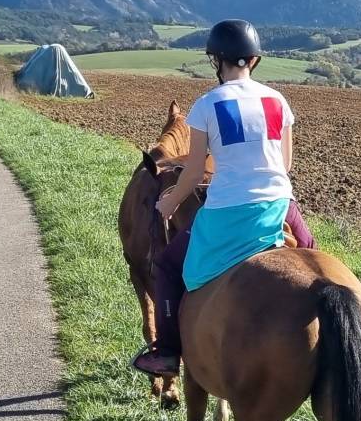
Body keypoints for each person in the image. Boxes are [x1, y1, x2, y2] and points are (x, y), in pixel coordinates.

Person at [132, 19, 315, 377]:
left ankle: (167, 353)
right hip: (280, 204)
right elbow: (286, 163)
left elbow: (195, 171)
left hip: (228, 210)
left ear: (218, 60)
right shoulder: (278, 100)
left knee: (168, 266)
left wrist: (168, 204)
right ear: (254, 60)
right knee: (313, 258)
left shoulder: (206, 104)